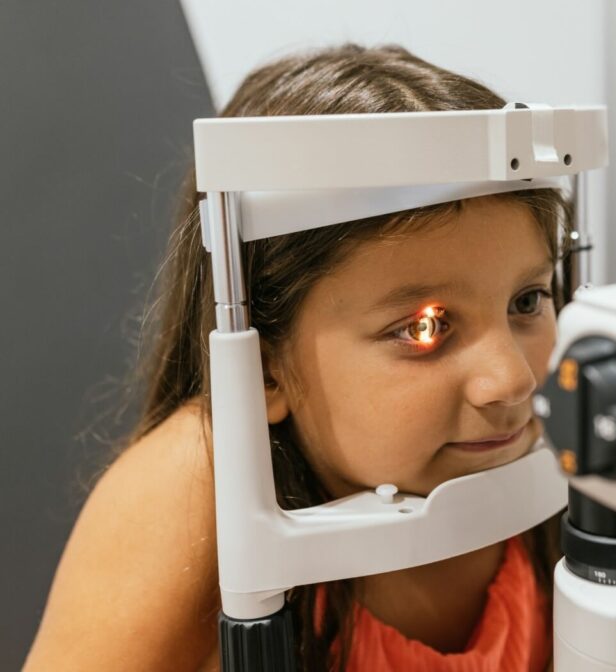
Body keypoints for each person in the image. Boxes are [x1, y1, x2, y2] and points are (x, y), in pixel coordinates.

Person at [24, 44, 570, 671]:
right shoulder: (198, 488)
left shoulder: (552, 464)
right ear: (263, 367)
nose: (512, 380)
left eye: (528, 299)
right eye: (424, 327)